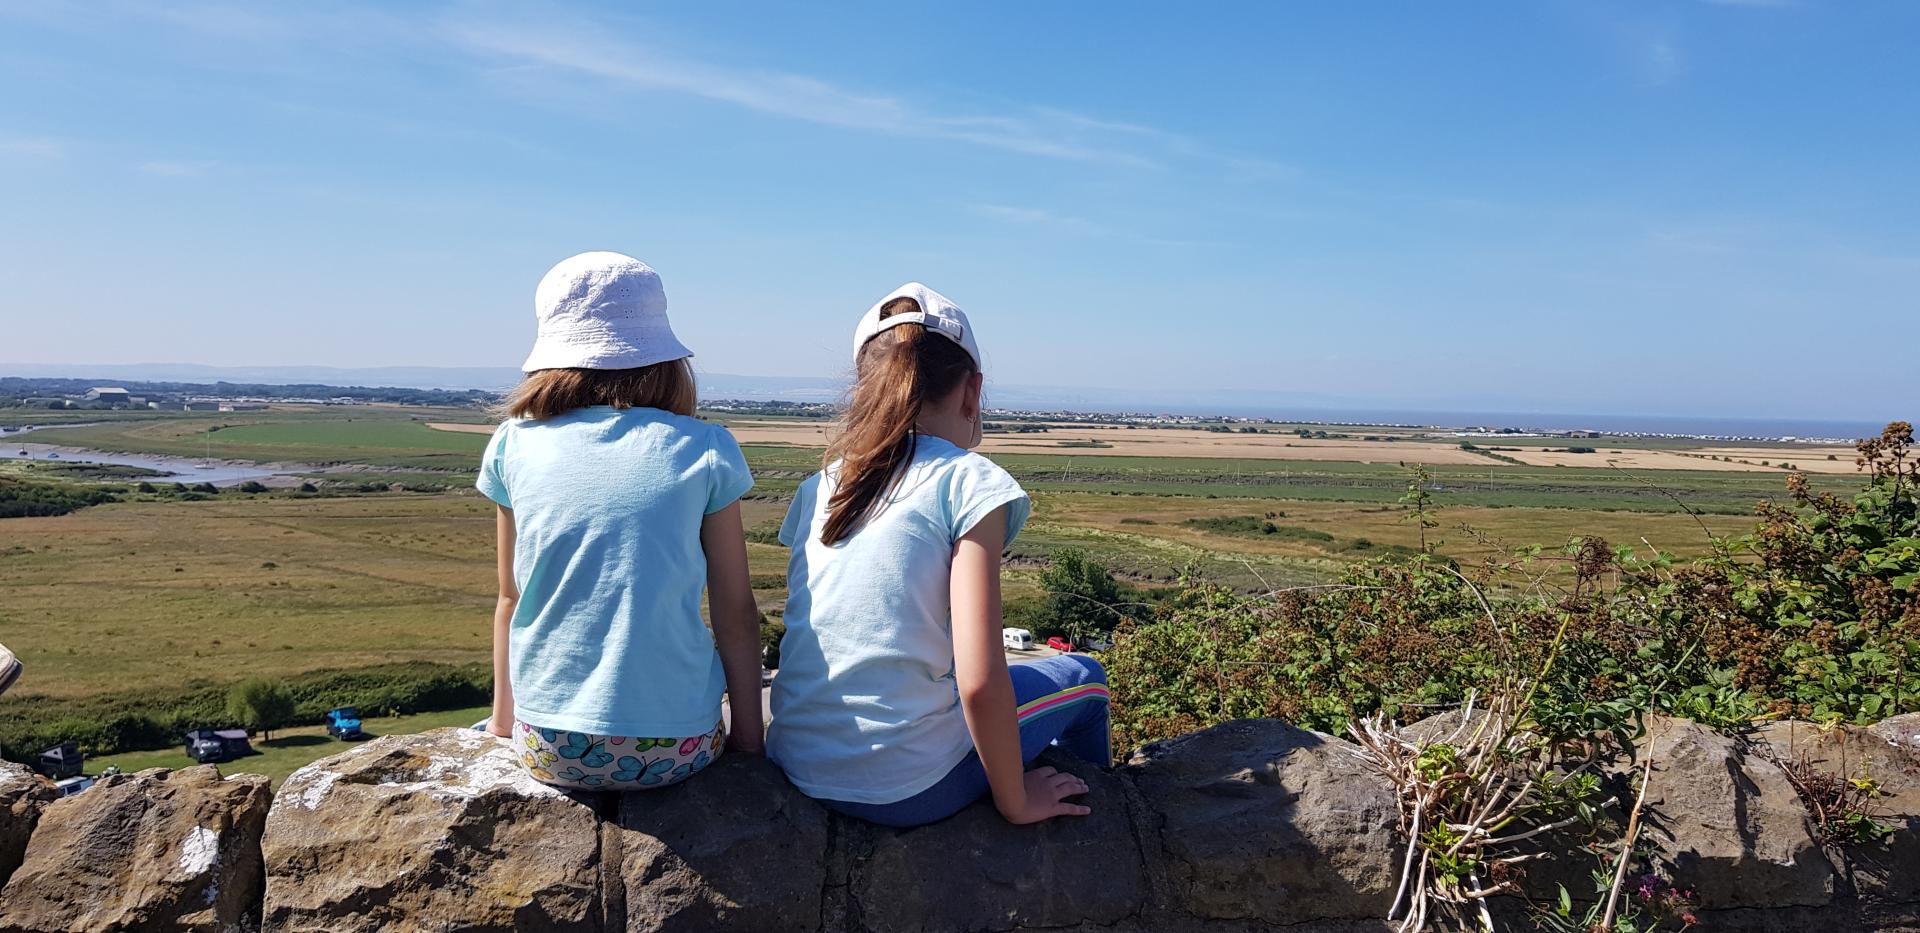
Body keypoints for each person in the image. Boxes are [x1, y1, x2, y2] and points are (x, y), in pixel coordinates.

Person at [768, 283, 1111, 827]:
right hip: (906, 787)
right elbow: (980, 676)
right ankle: (1100, 819)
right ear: (972, 392)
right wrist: (1015, 800)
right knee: (1088, 679)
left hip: (796, 765)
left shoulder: (822, 485)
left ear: (866, 390)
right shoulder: (969, 481)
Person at [477, 251, 764, 791]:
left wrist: (502, 724)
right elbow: (735, 609)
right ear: (664, 356)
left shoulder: (512, 443)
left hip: (546, 745)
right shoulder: (706, 447)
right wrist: (750, 740)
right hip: (679, 747)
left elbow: (511, 599)